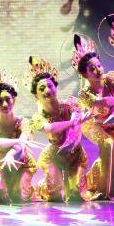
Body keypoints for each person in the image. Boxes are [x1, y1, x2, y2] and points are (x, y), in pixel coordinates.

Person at [72, 34, 114, 200]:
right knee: (108, 144)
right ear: (85, 74)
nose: (98, 70)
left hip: (113, 123)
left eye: (99, 65)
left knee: (112, 154)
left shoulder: (111, 78)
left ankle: (96, 179)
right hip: (94, 125)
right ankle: (109, 190)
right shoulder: (85, 93)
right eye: (92, 69)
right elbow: (103, 102)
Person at [25, 55, 92, 203]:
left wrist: (75, 128)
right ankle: (43, 186)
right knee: (56, 195)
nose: (47, 90)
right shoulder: (38, 117)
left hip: (75, 155)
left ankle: (74, 181)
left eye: (50, 86)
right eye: (42, 88)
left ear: (55, 86)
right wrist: (71, 122)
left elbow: (77, 128)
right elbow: (50, 127)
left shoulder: (71, 104)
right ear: (36, 95)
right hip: (54, 156)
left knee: (76, 194)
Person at [0, 64, 37, 203]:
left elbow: (22, 145)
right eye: (0, 101)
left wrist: (11, 154)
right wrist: (19, 141)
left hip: (22, 162)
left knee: (20, 196)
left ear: (14, 99)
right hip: (2, 163)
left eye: (8, 99)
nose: (5, 104)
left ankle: (23, 187)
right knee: (0, 194)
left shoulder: (24, 123)